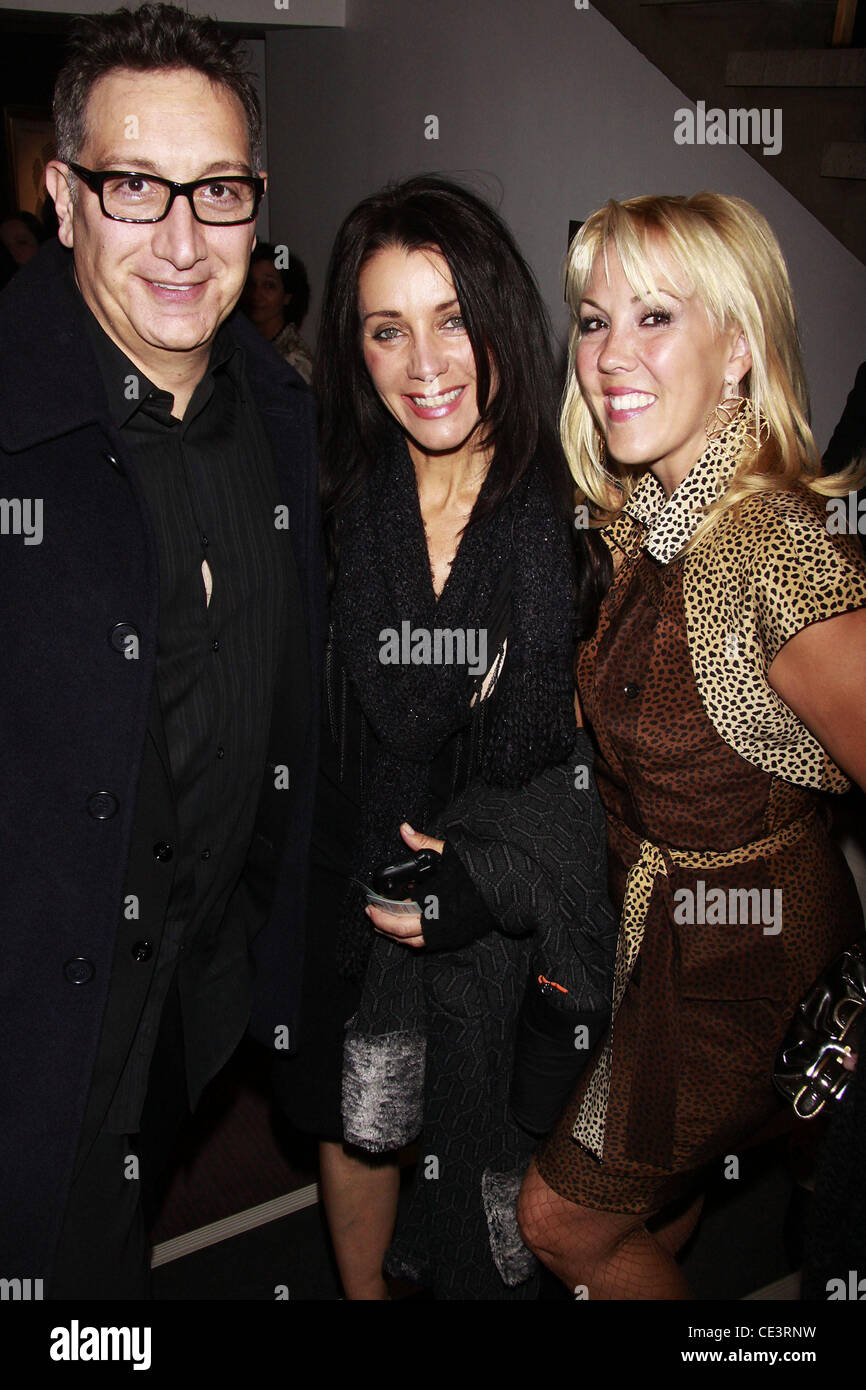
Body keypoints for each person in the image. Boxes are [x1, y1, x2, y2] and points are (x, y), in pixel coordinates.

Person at [0, 3, 325, 1298]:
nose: (184, 242)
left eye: (220, 192)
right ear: (62, 196)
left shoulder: (287, 419)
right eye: (136, 187)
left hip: (191, 1009)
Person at [271, 175, 617, 1300]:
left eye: (452, 318)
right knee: (354, 1116)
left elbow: (593, 773)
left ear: (500, 316)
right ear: (355, 349)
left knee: (505, 1157)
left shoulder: (573, 517)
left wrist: (488, 874)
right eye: (387, 329)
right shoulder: (325, 507)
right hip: (345, 883)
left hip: (499, 914)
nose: (424, 362)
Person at [517, 192, 866, 1299]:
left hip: (748, 953)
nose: (607, 355)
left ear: (740, 350)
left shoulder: (772, 552)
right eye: (592, 320)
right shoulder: (640, 518)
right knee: (652, 1212)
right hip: (662, 932)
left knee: (560, 1220)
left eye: (654, 316)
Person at [242, 242, 314, 384]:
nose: (256, 294)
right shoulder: (241, 344)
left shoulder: (295, 360)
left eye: (269, 286)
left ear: (287, 296)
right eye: (251, 284)